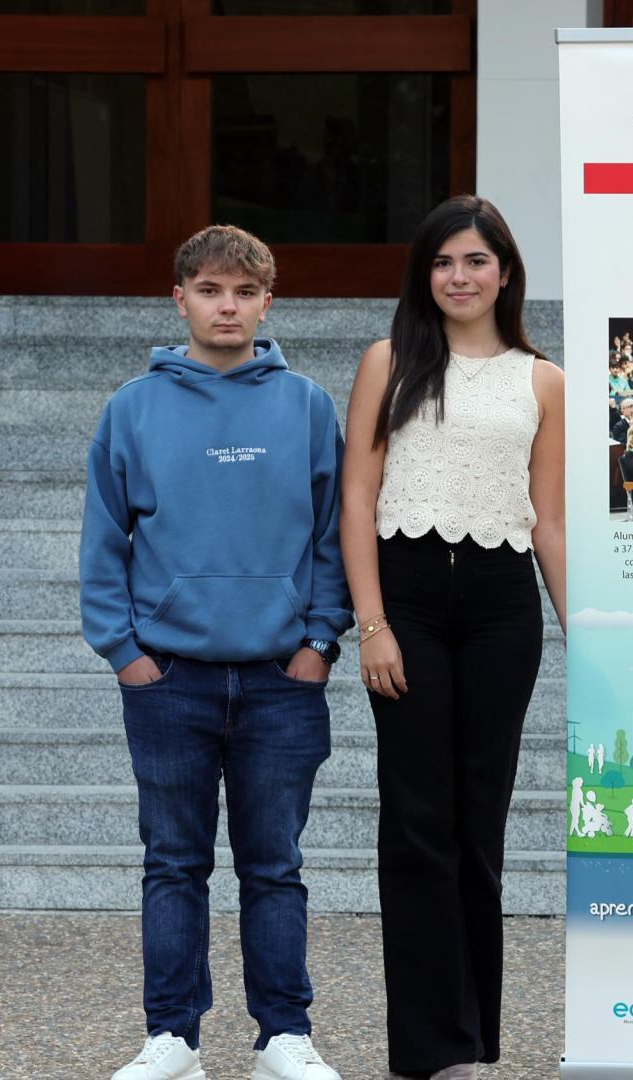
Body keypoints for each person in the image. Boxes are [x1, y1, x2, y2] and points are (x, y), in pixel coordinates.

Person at [82, 225, 350, 1080]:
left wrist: (319, 641)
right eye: (209, 290)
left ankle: (283, 1036)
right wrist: (124, 651)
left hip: (281, 679)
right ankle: (173, 1038)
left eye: (243, 291)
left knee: (276, 867)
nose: (226, 305)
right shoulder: (132, 407)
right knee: (173, 864)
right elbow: (105, 541)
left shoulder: (306, 404)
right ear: (180, 300)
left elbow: (332, 536)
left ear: (268, 302)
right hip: (168, 680)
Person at [340, 195, 566, 1080]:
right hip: (408, 600)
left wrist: (582, 627)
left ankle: (472, 1042)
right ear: (423, 275)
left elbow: (548, 520)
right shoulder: (387, 362)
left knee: (482, 823)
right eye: (443, 262)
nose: (460, 277)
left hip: (504, 608)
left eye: (476, 261)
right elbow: (357, 498)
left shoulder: (544, 379)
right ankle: (429, 1045)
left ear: (505, 272)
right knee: (417, 820)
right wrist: (373, 624)